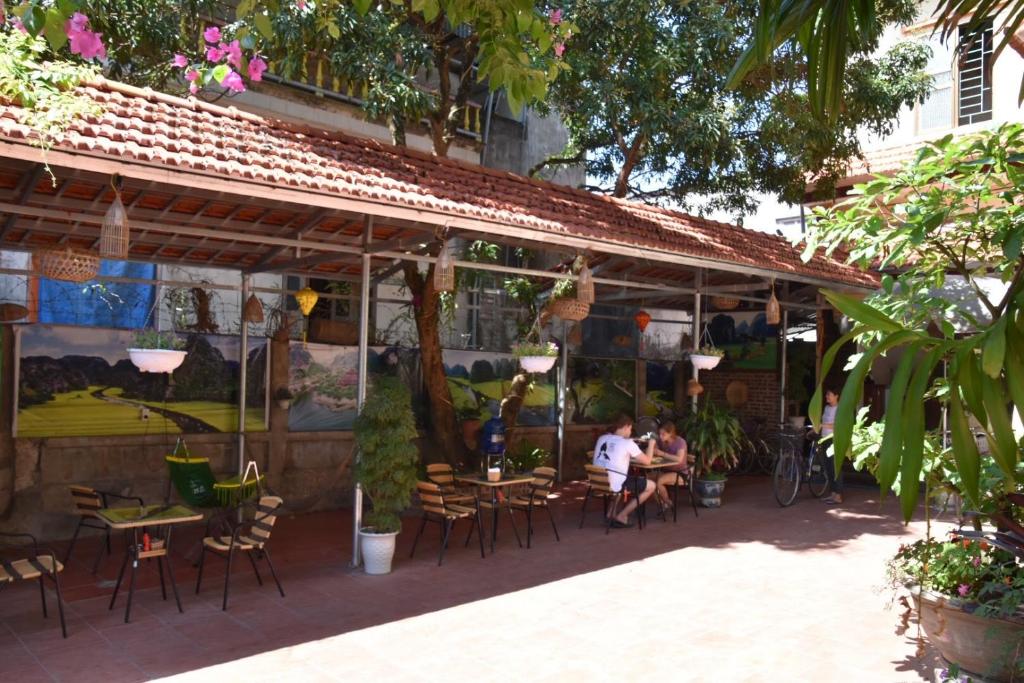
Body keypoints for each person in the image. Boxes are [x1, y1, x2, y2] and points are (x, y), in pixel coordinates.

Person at [592, 413, 656, 527]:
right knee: (652, 486)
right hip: (614, 483)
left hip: (598, 482)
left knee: (620, 479)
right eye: (630, 429)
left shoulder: (602, 438)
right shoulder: (627, 443)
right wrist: (651, 444)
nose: (630, 432)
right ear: (626, 426)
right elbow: (647, 461)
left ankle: (610, 513)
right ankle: (622, 515)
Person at [651, 422, 689, 511]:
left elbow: (679, 459)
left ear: (671, 433)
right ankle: (662, 504)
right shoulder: (661, 441)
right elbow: (654, 452)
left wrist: (662, 454)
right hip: (665, 470)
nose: (660, 436)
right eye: (659, 434)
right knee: (647, 481)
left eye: (663, 434)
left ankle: (668, 503)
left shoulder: (680, 442)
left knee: (659, 481)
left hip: (680, 472)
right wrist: (653, 447)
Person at [821, 387, 843, 505]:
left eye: (829, 394)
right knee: (828, 467)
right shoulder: (826, 408)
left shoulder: (840, 409)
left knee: (835, 467)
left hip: (834, 440)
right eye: (826, 394)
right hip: (825, 439)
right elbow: (823, 422)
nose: (827, 397)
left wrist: (822, 425)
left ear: (836, 396)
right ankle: (833, 493)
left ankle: (838, 495)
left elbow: (837, 425)